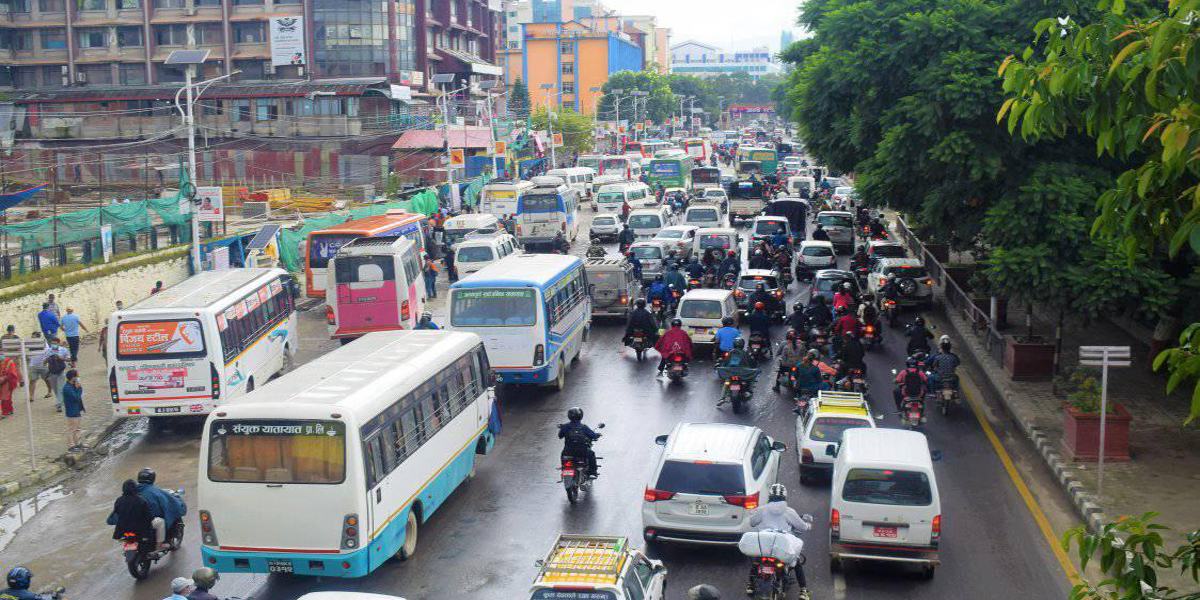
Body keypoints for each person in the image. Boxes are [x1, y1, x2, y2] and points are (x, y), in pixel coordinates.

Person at [748, 484, 813, 600]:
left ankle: (750, 585)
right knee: (796, 561)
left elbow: (752, 522)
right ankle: (803, 591)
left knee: (757, 560)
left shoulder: (762, 509)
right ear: (784, 496)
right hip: (782, 546)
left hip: (765, 544)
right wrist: (808, 526)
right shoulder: (789, 511)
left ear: (770, 496)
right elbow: (801, 526)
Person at [136, 467, 185, 551]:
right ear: (152, 478)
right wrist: (180, 505)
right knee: (163, 521)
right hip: (149, 522)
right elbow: (170, 504)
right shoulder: (156, 492)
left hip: (131, 523)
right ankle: (159, 545)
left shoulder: (130, 492)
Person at [107, 478, 154, 545]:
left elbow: (116, 514)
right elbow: (150, 516)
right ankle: (158, 545)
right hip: (140, 531)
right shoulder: (141, 500)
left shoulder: (118, 500)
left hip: (122, 531)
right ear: (135, 488)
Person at [558, 407, 600, 477]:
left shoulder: (565, 426)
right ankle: (592, 473)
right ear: (581, 416)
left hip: (568, 451)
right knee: (592, 454)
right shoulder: (584, 427)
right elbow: (593, 436)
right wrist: (597, 435)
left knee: (563, 455)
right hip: (582, 452)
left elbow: (560, 436)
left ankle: (564, 468)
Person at [34, 338, 69, 412]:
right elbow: (44, 362)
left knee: (60, 388)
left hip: (61, 372)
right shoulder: (48, 351)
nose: (53, 345)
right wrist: (49, 358)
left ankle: (59, 405)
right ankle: (60, 400)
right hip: (52, 373)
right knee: (55, 389)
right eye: (52, 343)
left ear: (59, 343)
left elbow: (68, 359)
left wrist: (60, 358)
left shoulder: (64, 350)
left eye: (55, 343)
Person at [62, 369, 84, 450]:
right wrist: (79, 388)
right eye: (77, 376)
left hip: (76, 410)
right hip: (72, 411)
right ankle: (71, 446)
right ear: (73, 377)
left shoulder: (72, 385)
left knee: (78, 429)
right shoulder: (67, 388)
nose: (78, 378)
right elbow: (76, 398)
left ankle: (78, 444)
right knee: (71, 430)